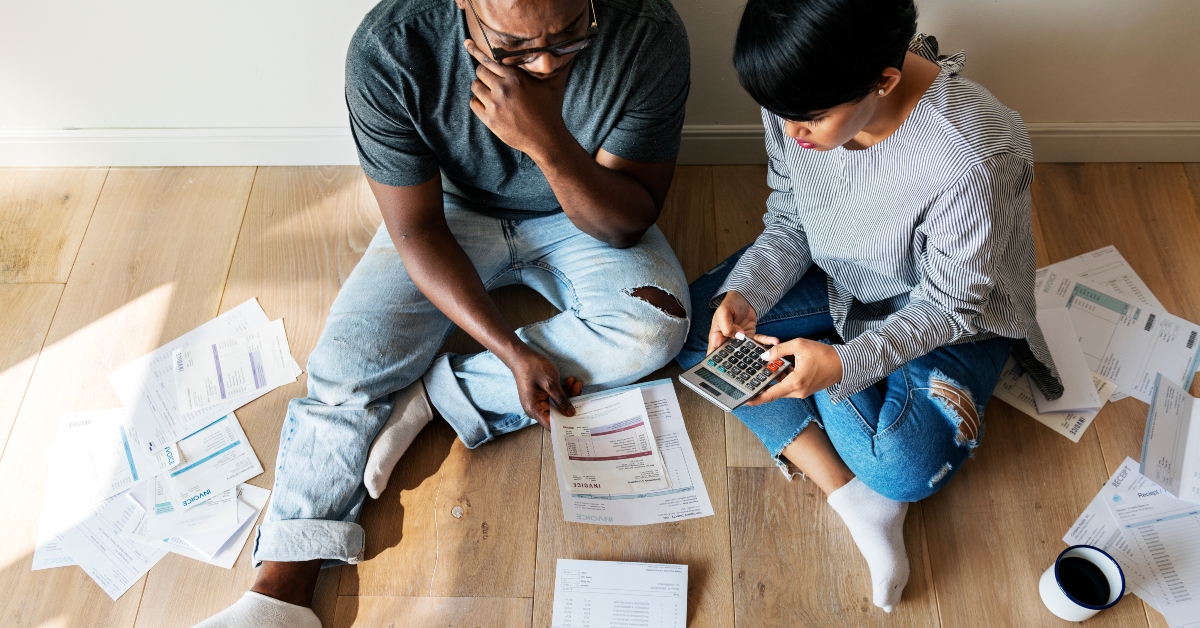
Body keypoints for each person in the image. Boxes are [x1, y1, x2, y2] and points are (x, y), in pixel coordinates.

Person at [196, 0, 690, 624]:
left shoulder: (646, 32)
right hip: (448, 215)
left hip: (583, 207)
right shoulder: (391, 49)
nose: (544, 64)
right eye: (515, 47)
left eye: (570, 37)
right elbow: (417, 231)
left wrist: (547, 142)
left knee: (656, 327)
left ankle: (438, 396)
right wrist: (511, 352)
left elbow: (625, 224)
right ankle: (281, 587)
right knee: (346, 367)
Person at [675, 0, 1062, 613]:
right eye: (780, 113)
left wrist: (842, 363)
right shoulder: (797, 92)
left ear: (883, 80)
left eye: (810, 119)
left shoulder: (974, 154)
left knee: (904, 467)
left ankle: (836, 401)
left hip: (948, 319)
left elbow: (953, 305)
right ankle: (852, 495)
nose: (791, 132)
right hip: (841, 278)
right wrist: (746, 293)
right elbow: (792, 217)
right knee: (688, 323)